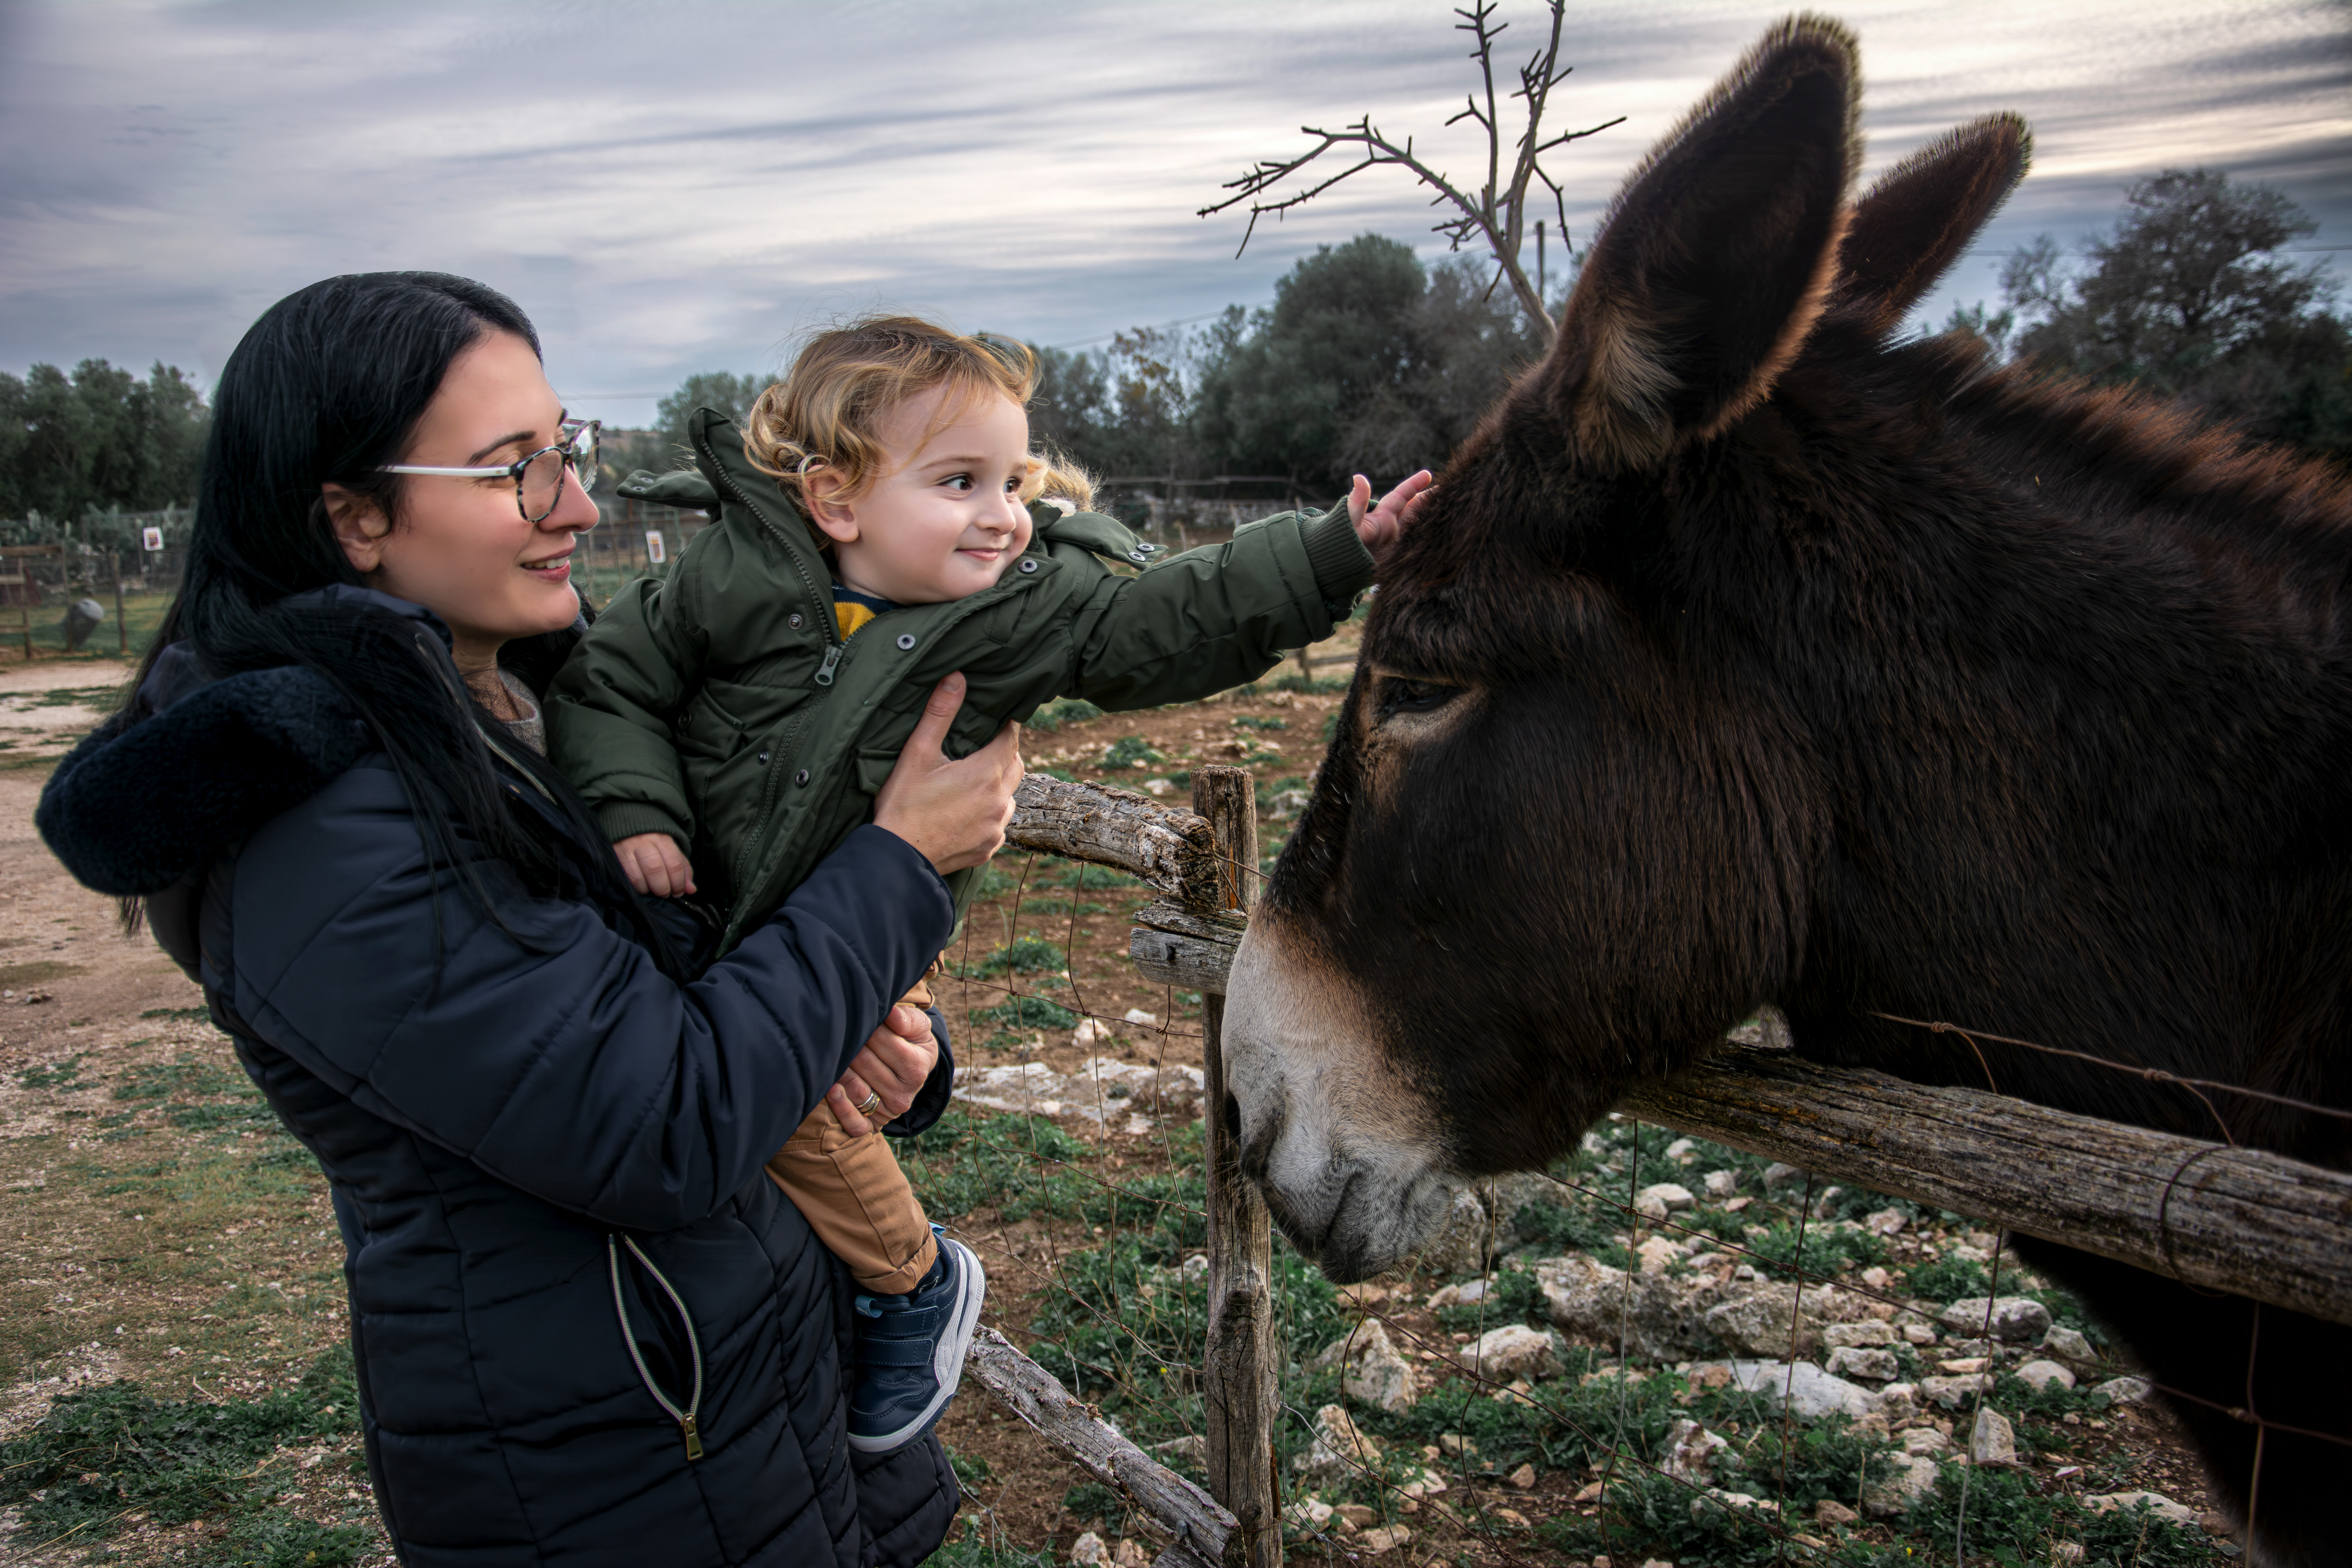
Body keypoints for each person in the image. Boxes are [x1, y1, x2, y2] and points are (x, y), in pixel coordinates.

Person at [35, 273, 1021, 1568]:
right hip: (615, 1471)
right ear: (356, 517)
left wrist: (889, 1047)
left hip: (746, 1400)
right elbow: (660, 1125)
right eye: (514, 470)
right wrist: (900, 864)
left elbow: (707, 980)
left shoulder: (532, 710)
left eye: (567, 449)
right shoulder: (320, 823)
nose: (577, 503)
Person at [545, 313, 1428, 1452]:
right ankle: (801, 1306)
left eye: (1012, 479)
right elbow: (610, 684)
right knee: (737, 1104)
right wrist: (637, 810)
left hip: (856, 936)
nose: (1005, 513)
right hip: (717, 923)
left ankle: (909, 1284)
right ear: (835, 501)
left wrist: (1326, 556)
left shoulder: (1021, 608)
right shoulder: (730, 578)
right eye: (959, 481)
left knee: (799, 1110)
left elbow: (1162, 624)